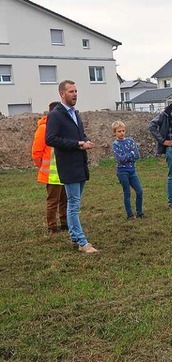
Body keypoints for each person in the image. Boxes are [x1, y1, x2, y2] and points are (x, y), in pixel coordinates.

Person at [45, 80, 98, 254]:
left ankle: (74, 237)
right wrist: (77, 144)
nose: (75, 94)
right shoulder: (55, 115)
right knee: (73, 205)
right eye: (71, 91)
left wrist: (85, 140)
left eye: (76, 91)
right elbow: (50, 139)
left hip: (80, 165)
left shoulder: (75, 113)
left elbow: (79, 134)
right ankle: (82, 242)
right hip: (68, 166)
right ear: (62, 94)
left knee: (73, 203)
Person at [32, 101, 67, 234]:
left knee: (65, 199)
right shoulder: (43, 129)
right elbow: (36, 152)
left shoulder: (61, 127)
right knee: (53, 201)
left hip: (64, 171)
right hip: (52, 174)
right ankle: (52, 227)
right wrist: (41, 167)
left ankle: (65, 223)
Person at [111, 121, 144, 220]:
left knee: (139, 191)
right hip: (122, 172)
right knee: (127, 193)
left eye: (123, 130)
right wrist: (131, 154)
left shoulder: (130, 141)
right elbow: (120, 159)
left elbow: (137, 155)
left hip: (132, 171)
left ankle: (140, 212)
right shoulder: (115, 145)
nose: (121, 133)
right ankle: (130, 215)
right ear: (114, 133)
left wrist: (129, 155)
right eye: (119, 131)